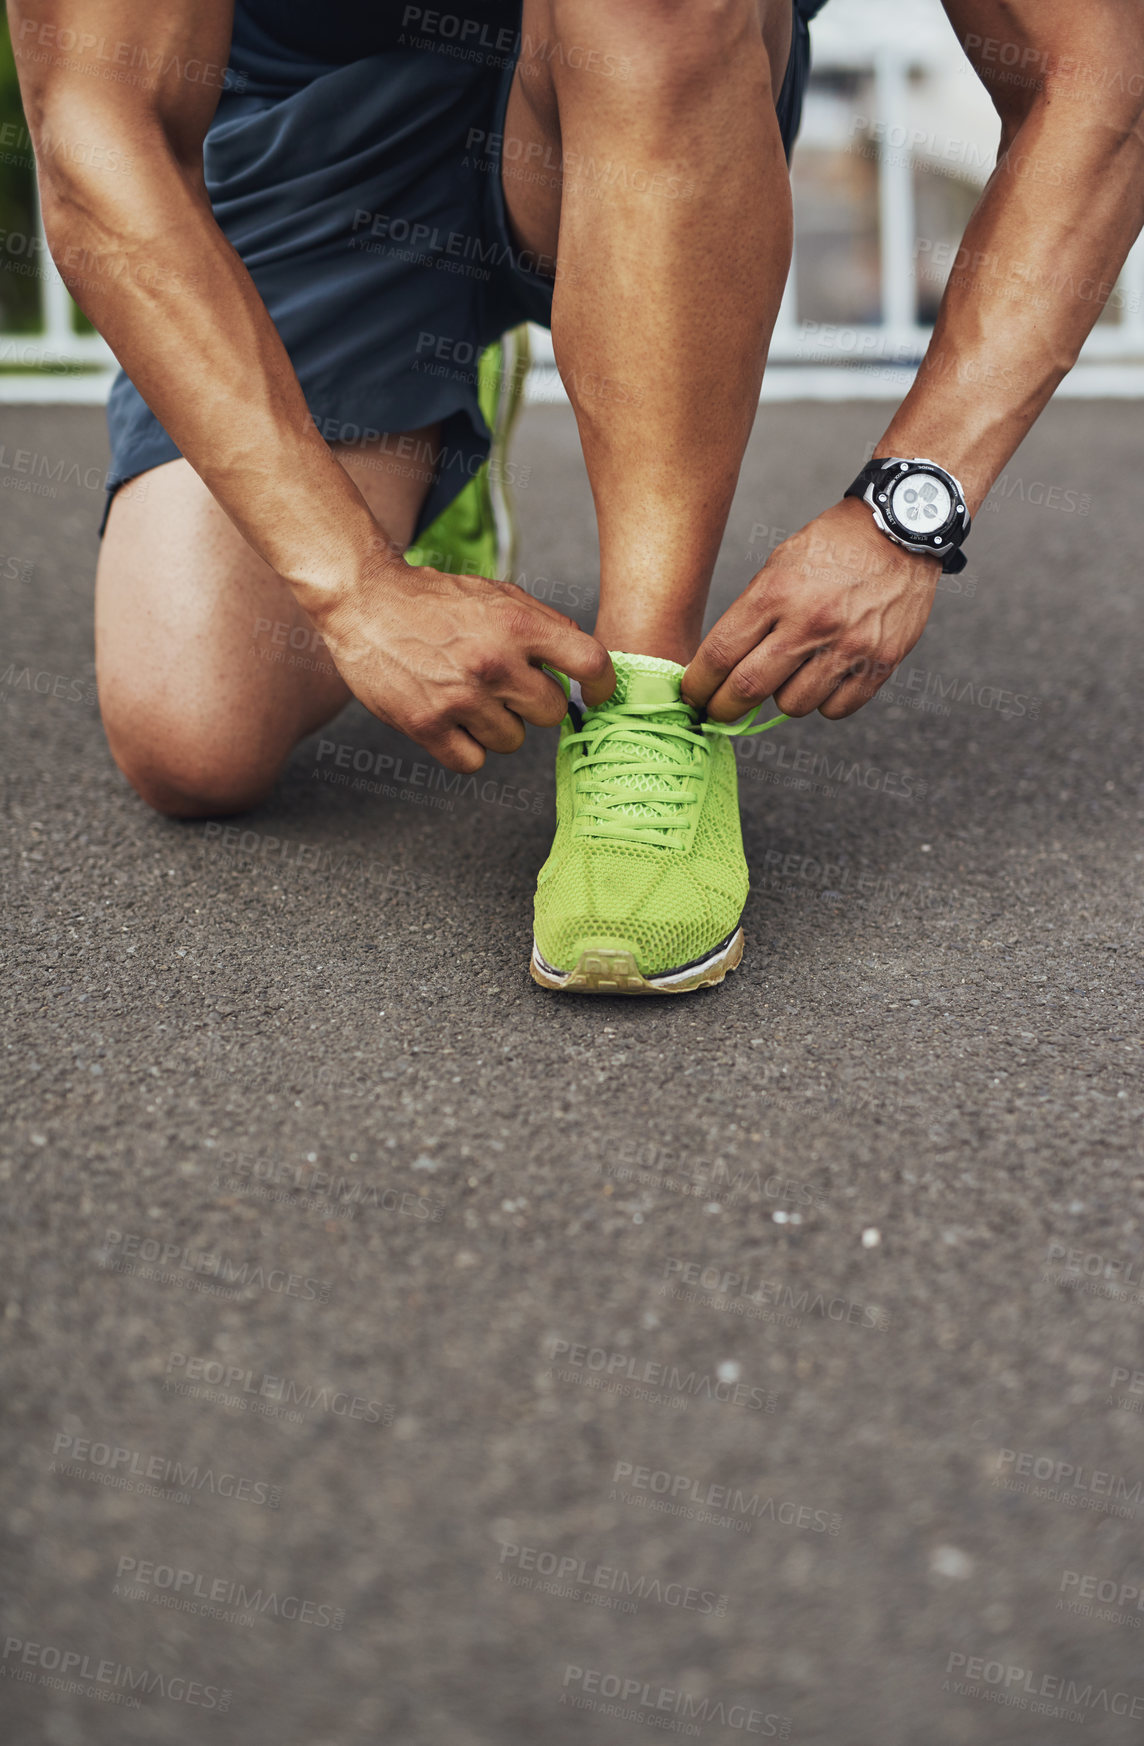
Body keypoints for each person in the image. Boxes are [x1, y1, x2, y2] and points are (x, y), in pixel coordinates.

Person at [12, 0, 1144, 994]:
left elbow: (1100, 74)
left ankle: (645, 705)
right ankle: (440, 438)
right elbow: (95, 130)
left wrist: (912, 504)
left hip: (654, 81)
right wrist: (354, 581)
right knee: (196, 737)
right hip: (320, 117)